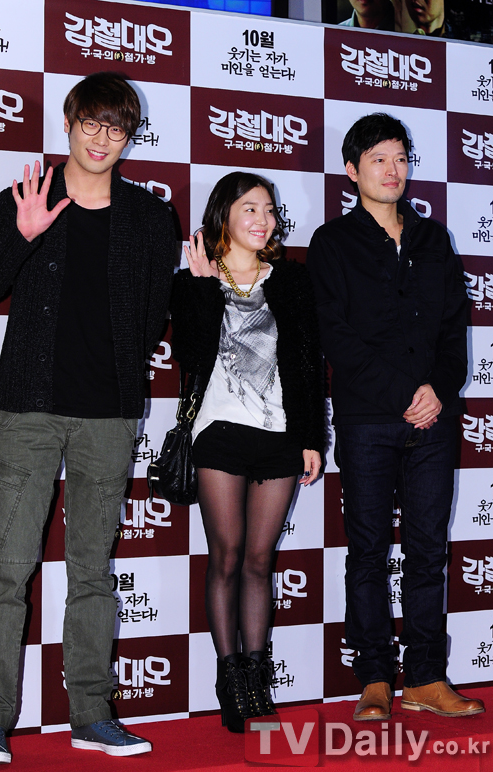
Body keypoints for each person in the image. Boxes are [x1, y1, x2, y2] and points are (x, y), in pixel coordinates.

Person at [0, 71, 176, 763]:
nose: (102, 138)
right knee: (8, 567)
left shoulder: (150, 219)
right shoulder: (27, 197)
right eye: (92, 122)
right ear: (69, 122)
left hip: (107, 418)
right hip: (30, 409)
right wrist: (21, 236)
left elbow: (152, 318)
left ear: (129, 136)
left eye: (117, 127)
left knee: (92, 571)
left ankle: (92, 714)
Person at [307, 113, 484, 722]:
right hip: (367, 421)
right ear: (351, 170)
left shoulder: (435, 239)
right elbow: (337, 337)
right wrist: (407, 391)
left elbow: (454, 326)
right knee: (368, 551)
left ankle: (427, 678)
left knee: (429, 550)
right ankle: (376, 679)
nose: (392, 169)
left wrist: (437, 390)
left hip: (434, 420)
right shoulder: (332, 242)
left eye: (401, 158)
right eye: (378, 159)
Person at [170, 172, 324, 733]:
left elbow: (308, 366)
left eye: (270, 210)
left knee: (261, 561)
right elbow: (189, 356)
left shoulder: (292, 280)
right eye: (250, 209)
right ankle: (230, 678)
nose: (263, 219)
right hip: (219, 434)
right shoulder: (196, 279)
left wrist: (312, 438)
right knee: (228, 556)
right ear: (224, 216)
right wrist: (198, 286)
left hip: (279, 435)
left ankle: (257, 679)